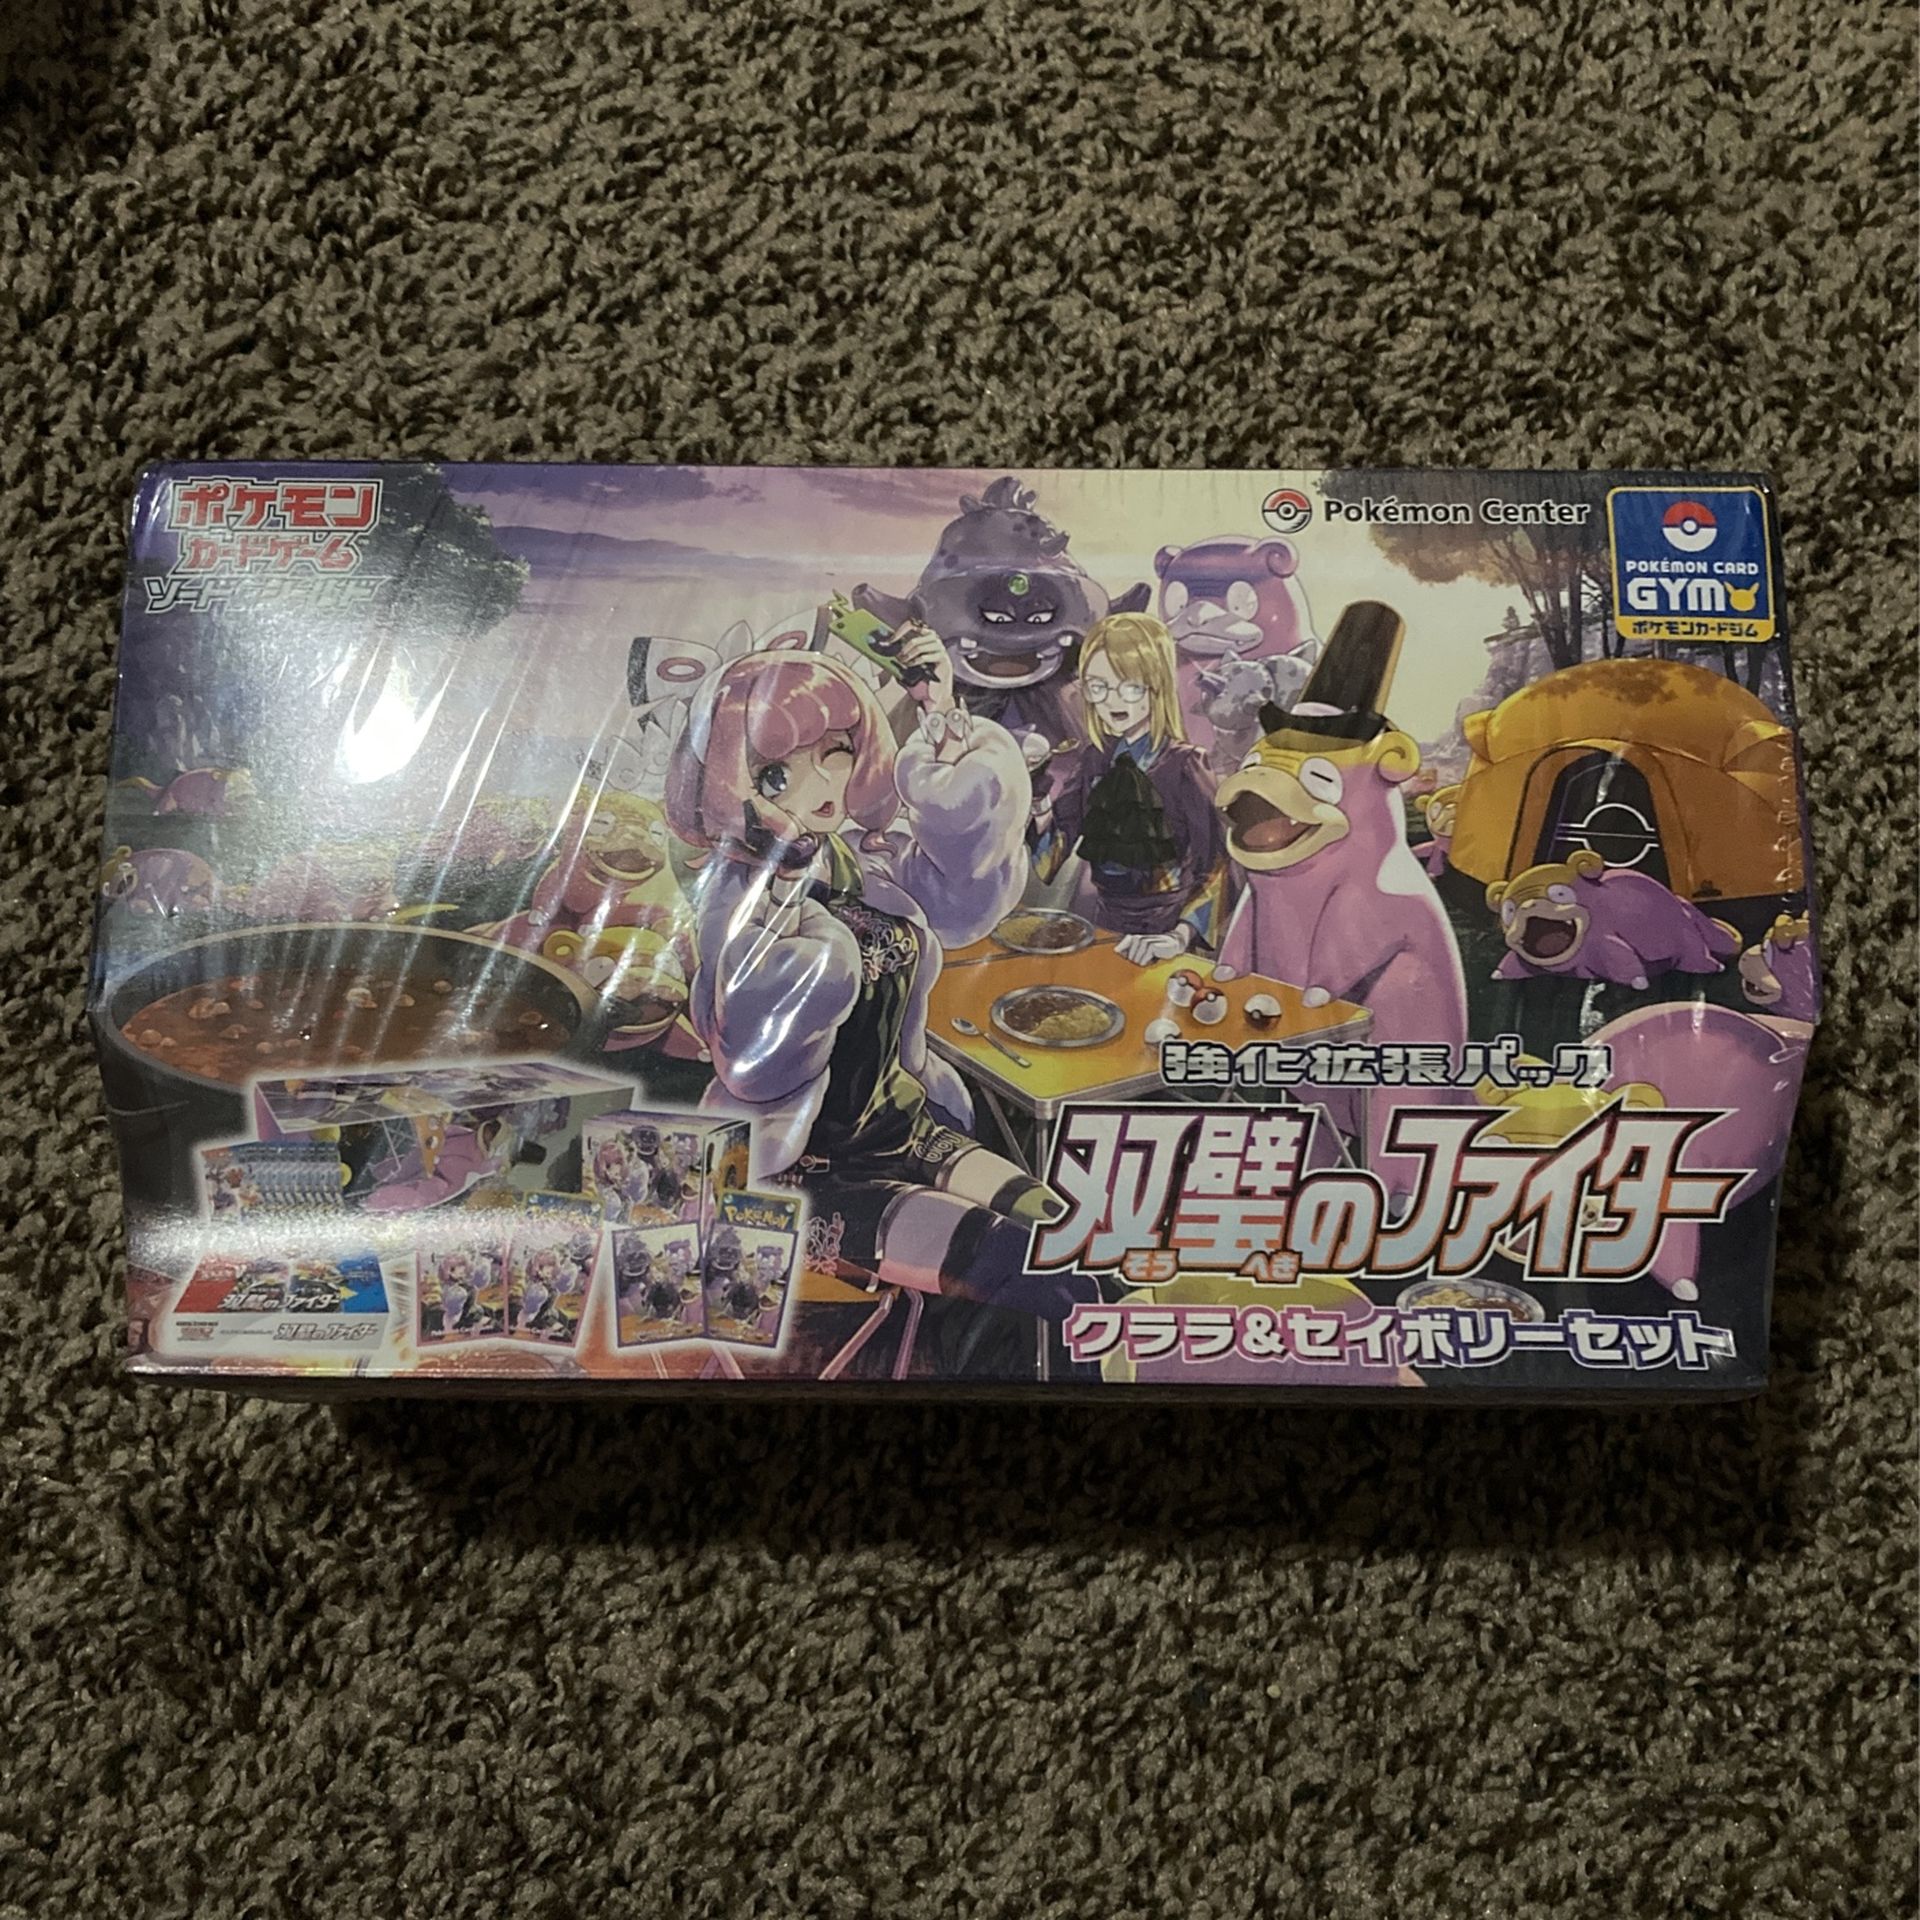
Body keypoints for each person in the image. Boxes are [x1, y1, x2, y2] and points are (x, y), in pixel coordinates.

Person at [663, 637, 1092, 1327]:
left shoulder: (855, 859)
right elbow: (754, 1060)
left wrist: (950, 759)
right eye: (776, 773)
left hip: (904, 1127)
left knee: (1074, 1240)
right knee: (1022, 1267)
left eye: (835, 752)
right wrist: (820, 957)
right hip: (801, 1170)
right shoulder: (732, 896)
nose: (819, 784)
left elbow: (962, 897)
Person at [1029, 612, 1229, 962]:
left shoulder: (1186, 764)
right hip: (1104, 923)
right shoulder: (1096, 758)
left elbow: (1217, 865)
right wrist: (1037, 797)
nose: (1113, 701)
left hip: (1168, 929)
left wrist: (1180, 936)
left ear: (1158, 685)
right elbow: (1052, 855)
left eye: (1131, 686)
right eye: (1098, 687)